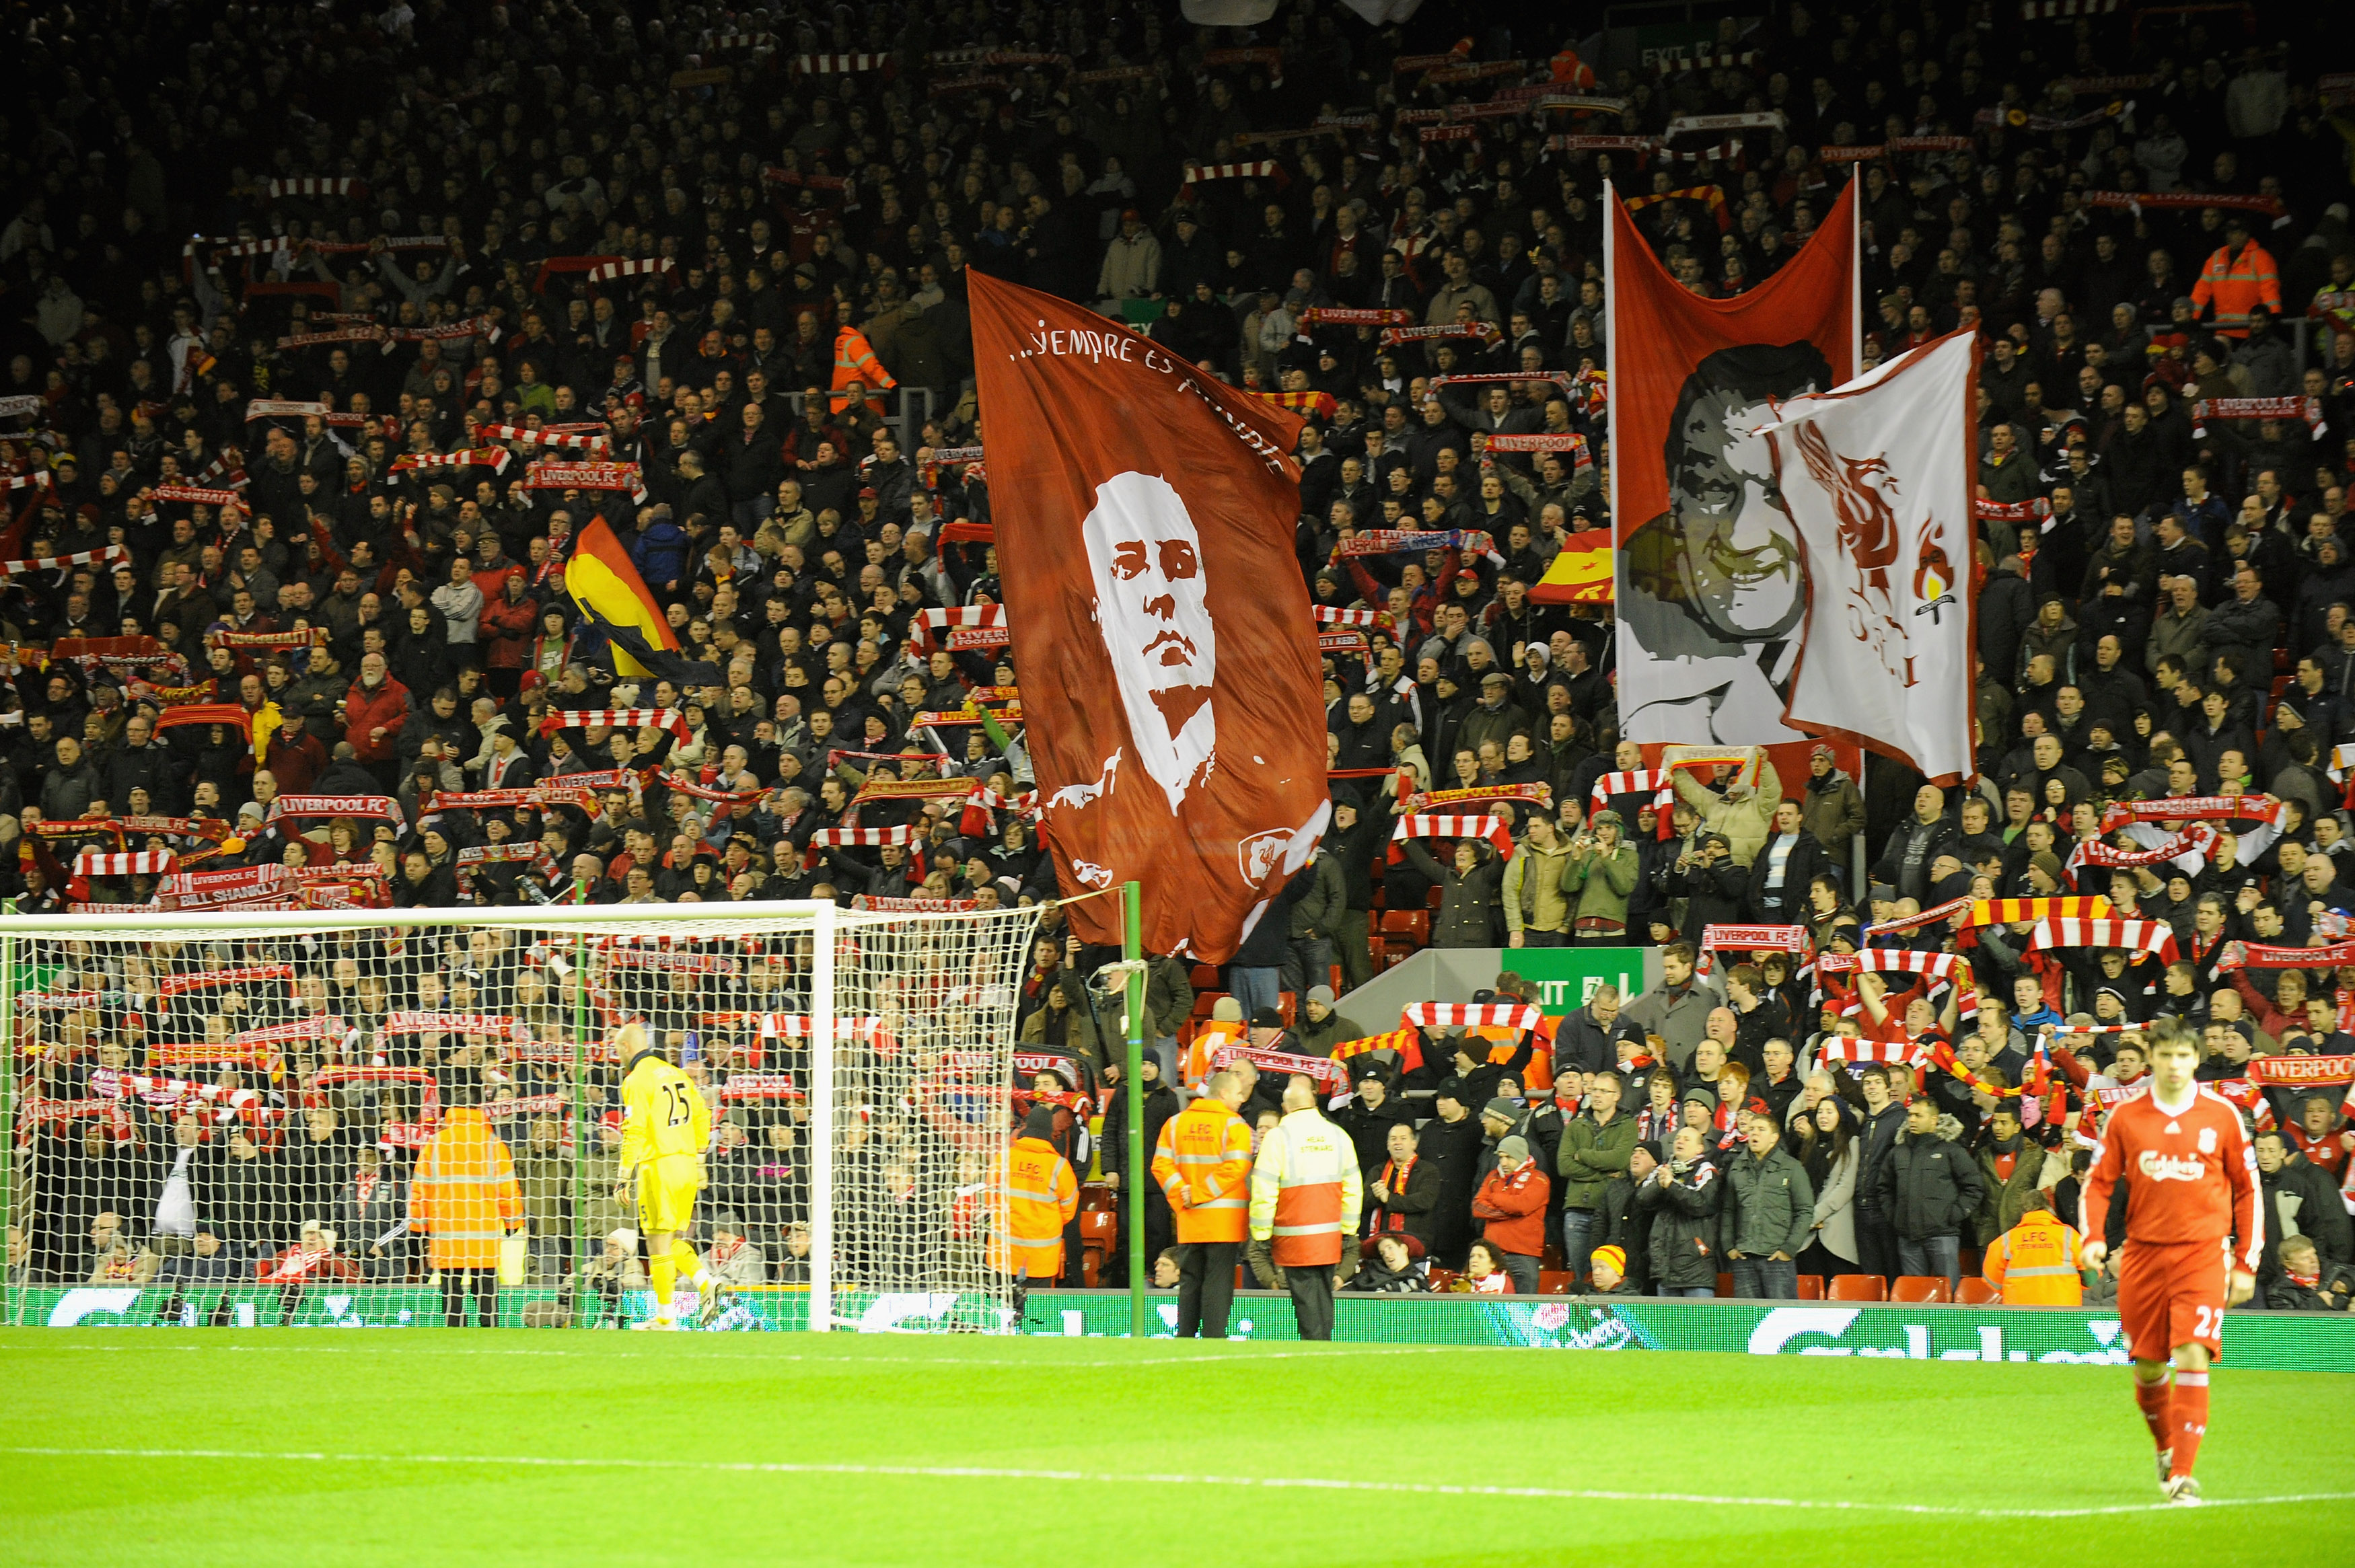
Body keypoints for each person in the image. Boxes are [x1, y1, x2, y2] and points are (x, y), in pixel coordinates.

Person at [2080, 1029, 2259, 1504]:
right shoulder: (2126, 1116)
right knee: (2149, 1366)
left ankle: (2183, 1474)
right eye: (2165, 1055)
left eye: (2183, 1055)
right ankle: (2165, 1447)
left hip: (2202, 1254)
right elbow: (2098, 1182)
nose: (2175, 1064)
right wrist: (2094, 1236)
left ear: (2197, 1059)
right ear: (2152, 1060)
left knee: (2192, 1352)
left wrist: (2246, 1261)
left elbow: (2247, 1189)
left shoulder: (2223, 1116)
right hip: (2143, 1254)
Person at [618, 1020, 723, 1330]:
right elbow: (703, 1113)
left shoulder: (637, 1079)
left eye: (617, 1049)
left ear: (627, 1047)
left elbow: (634, 1129)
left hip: (659, 1164)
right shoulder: (676, 1073)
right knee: (671, 1240)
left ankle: (668, 1316)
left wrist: (624, 1173)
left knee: (656, 1244)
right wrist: (700, 1156)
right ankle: (704, 1284)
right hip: (687, 1165)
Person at [1248, 1073, 1363, 1341]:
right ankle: (1326, 1349)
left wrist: (1262, 1235)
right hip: (1329, 1237)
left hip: (1293, 1238)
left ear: (1285, 1108)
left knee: (1306, 1303)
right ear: (1314, 1102)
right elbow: (1353, 1188)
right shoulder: (1339, 1136)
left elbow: (1264, 1192)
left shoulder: (1278, 1138)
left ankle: (1315, 1354)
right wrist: (1348, 1230)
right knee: (1324, 1297)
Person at [406, 1077, 524, 1329]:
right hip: (483, 1232)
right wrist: (513, 1222)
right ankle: (489, 1335)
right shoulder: (493, 1144)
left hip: (447, 1233)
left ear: (451, 1112)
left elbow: (420, 1190)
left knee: (451, 1292)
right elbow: (508, 1188)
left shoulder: (435, 1144)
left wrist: (418, 1227)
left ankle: (454, 1337)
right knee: (486, 1293)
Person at [1150, 1067, 1253, 1338]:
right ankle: (1213, 1341)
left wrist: (1183, 1195)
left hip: (1189, 1218)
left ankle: (1184, 1339)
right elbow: (1237, 1167)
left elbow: (1161, 1166)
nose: (1242, 1099)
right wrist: (1197, 1193)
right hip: (1224, 1222)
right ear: (1224, 1093)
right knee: (1218, 1285)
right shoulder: (1235, 1125)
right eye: (1239, 1093)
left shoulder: (1175, 1123)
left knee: (1190, 1282)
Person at [1870, 1096, 1984, 1294]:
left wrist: (1953, 1215)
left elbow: (1974, 1186)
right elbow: (1884, 1188)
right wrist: (1895, 1216)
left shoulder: (1951, 1150)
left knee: (1949, 1296)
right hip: (1908, 1237)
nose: (1912, 1120)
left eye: (1918, 1115)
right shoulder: (1898, 1152)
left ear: (1934, 1120)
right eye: (1910, 1115)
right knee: (1916, 1296)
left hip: (1943, 1236)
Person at [989, 1105, 1082, 1320]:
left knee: (1000, 1316)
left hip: (1003, 1253)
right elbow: (1069, 1208)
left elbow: (990, 1199)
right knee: (1036, 1318)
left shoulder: (1004, 1158)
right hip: (1041, 1258)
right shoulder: (1059, 1165)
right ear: (1050, 1132)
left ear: (1026, 1128)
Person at [1720, 1108, 1814, 1299]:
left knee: (1781, 1320)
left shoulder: (1792, 1168)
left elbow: (1805, 1211)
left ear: (1774, 1138)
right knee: (1748, 1323)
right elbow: (1729, 1210)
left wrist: (1789, 1248)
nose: (1754, 1133)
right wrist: (1729, 1246)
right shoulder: (1737, 1168)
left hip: (1777, 1260)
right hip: (1744, 1259)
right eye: (1752, 1128)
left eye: (1761, 1129)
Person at [1636, 1125, 1724, 1298]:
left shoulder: (1706, 1170)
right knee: (1667, 1325)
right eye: (1677, 1138)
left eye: (1686, 1139)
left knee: (1698, 1323)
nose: (1680, 1141)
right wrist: (1661, 1183)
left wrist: (1672, 1185)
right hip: (1665, 1265)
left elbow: (1702, 1204)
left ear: (1700, 1148)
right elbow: (1642, 1199)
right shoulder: (1663, 1170)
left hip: (1696, 1267)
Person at [1469, 1133, 1550, 1295]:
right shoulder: (1492, 1176)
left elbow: (1522, 1206)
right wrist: (1510, 1210)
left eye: (1509, 1157)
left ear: (1521, 1157)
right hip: (1493, 1256)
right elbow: (1477, 1207)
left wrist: (1493, 1197)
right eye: (1501, 1157)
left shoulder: (1539, 1179)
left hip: (1524, 1255)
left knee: (1524, 1309)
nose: (1504, 1162)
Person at [1984, 1203, 2088, 1306]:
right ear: (2051, 1212)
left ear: (2023, 1214)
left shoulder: (2007, 1239)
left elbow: (1992, 1280)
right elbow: (2091, 1277)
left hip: (2019, 1314)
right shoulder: (2069, 1236)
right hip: (2063, 1314)